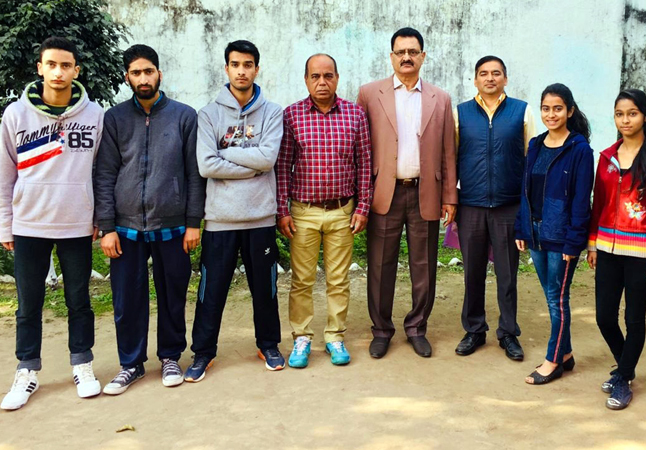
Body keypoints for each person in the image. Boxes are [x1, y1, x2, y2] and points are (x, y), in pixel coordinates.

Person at [0, 36, 104, 410]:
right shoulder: (16, 115)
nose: (58, 72)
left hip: (76, 224)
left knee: (79, 300)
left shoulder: (95, 116)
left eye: (66, 65)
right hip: (29, 225)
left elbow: (100, 172)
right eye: (51, 65)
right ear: (40, 68)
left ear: (76, 70)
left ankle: (83, 363)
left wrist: (98, 218)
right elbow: (5, 175)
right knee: (29, 303)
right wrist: (6, 225)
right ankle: (27, 370)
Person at [95, 44, 204, 395]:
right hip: (125, 227)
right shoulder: (114, 118)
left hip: (172, 225)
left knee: (173, 293)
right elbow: (105, 174)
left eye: (149, 71)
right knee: (127, 298)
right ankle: (131, 364)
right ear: (127, 77)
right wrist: (107, 227)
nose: (143, 78)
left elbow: (194, 174)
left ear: (159, 73)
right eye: (136, 72)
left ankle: (171, 356)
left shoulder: (184, 116)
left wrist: (192, 222)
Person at [357, 27, 457, 359]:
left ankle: (417, 327)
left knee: (424, 264)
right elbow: (361, 149)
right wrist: (362, 194)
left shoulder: (439, 98)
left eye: (413, 52)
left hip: (424, 192)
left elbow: (448, 152)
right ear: (391, 56)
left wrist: (450, 197)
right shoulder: (370, 94)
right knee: (380, 265)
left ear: (422, 56)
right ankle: (381, 330)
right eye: (400, 52)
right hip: (384, 193)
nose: (406, 57)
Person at [188, 40, 285, 381]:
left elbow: (268, 158)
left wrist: (225, 154)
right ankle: (202, 352)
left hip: (260, 216)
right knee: (211, 290)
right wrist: (251, 161)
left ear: (257, 68)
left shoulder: (272, 112)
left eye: (248, 64)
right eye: (235, 64)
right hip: (220, 218)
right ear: (226, 69)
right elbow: (205, 164)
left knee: (265, 288)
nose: (241, 70)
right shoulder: (208, 114)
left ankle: (269, 344)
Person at [276, 54, 372, 368]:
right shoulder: (292, 116)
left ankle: (334, 336)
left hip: (342, 212)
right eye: (315, 76)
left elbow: (364, 165)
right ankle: (301, 337)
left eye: (328, 75)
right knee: (301, 280)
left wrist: (362, 206)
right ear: (306, 80)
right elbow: (282, 167)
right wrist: (283, 209)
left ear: (337, 78)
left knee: (338, 279)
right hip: (303, 212)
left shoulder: (355, 115)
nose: (322, 82)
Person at [586, 89, 646, 410]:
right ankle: (626, 366)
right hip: (607, 250)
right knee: (604, 317)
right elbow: (599, 204)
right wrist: (592, 243)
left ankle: (622, 378)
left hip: (642, 252)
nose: (625, 120)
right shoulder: (607, 156)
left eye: (632, 113)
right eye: (620, 114)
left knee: (634, 318)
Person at [453, 55, 536, 361]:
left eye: (496, 73)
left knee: (507, 273)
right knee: (472, 272)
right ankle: (474, 329)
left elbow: (530, 158)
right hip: (471, 204)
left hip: (508, 205)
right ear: (475, 80)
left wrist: (527, 206)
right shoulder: (460, 113)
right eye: (484, 74)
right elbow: (452, 158)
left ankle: (508, 332)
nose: (490, 78)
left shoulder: (521, 112)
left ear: (505, 78)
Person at [514, 83, 594, 385]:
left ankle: (553, 360)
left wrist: (575, 242)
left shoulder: (580, 150)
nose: (551, 114)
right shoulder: (535, 144)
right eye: (546, 108)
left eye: (558, 108)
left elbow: (580, 200)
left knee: (556, 298)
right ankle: (567, 353)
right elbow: (526, 189)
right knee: (552, 296)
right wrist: (521, 227)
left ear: (569, 111)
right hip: (535, 233)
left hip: (561, 236)